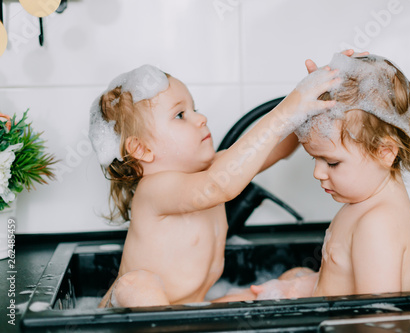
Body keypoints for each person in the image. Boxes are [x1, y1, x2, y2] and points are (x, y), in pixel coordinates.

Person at [89, 63, 339, 308]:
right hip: (127, 321)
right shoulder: (153, 190)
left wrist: (313, 105)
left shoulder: (211, 172)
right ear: (141, 149)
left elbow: (275, 149)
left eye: (194, 108)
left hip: (190, 312)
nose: (201, 118)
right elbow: (220, 185)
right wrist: (286, 110)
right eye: (180, 115)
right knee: (135, 285)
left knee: (296, 281)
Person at [241, 52, 410, 300]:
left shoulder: (378, 224)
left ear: (385, 152)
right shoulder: (364, 203)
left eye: (331, 162)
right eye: (315, 158)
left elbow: (378, 321)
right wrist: (301, 285)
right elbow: (346, 281)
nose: (318, 172)